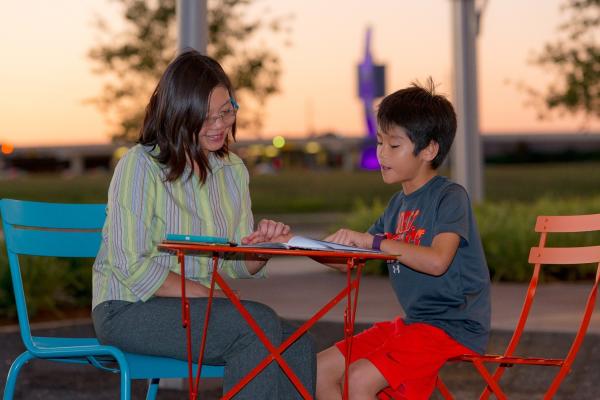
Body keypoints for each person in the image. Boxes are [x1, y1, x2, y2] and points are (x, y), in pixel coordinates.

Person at [91, 50, 315, 399]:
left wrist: (265, 246)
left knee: (297, 345)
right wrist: (204, 292)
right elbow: (128, 262)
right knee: (257, 327)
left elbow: (237, 262)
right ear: (179, 116)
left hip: (197, 309)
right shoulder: (141, 165)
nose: (220, 125)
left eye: (226, 112)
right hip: (127, 307)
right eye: (206, 117)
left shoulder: (232, 171)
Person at [316, 80, 491, 400]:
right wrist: (297, 245)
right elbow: (348, 262)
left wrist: (375, 242)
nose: (382, 154)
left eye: (393, 146)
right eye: (380, 142)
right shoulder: (397, 205)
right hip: (414, 324)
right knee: (321, 370)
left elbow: (438, 261)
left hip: (454, 326)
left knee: (359, 379)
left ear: (429, 149)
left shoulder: (449, 196)